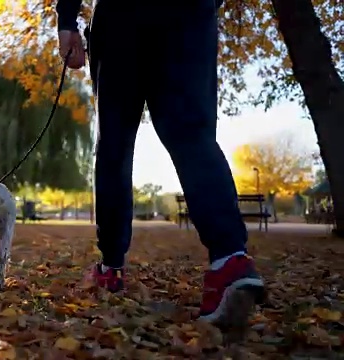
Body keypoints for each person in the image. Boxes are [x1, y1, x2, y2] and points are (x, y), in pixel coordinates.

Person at [55, 0, 266, 328]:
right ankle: (229, 259)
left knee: (114, 147)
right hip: (189, 16)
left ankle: (110, 267)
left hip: (121, 18)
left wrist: (67, 20)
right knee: (191, 133)